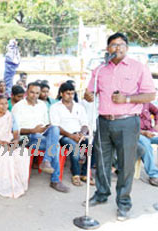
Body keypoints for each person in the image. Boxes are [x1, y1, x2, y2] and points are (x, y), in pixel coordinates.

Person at [84, 32, 156, 221]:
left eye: (121, 44)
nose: (117, 48)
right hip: (104, 121)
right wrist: (88, 95)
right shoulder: (100, 69)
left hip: (127, 122)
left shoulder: (138, 68)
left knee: (125, 164)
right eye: (113, 45)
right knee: (101, 161)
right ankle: (101, 194)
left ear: (127, 47)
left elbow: (150, 95)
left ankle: (123, 203)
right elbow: (89, 92)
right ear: (107, 49)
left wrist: (128, 98)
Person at [12, 82, 69, 193]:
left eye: (37, 93)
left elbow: (47, 123)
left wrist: (45, 128)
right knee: (55, 147)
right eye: (32, 92)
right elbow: (15, 130)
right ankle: (55, 180)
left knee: (54, 128)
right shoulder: (18, 107)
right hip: (27, 137)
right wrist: (33, 130)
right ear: (27, 92)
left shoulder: (42, 105)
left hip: (43, 135)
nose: (34, 95)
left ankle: (46, 160)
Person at [0, 95, 30, 198]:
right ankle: (5, 185)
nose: (4, 106)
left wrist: (15, 141)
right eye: (1, 104)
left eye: (6, 103)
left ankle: (19, 182)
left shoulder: (10, 115)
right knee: (5, 156)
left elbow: (15, 131)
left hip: (9, 141)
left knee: (23, 153)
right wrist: (2, 143)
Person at [50, 82, 93, 186]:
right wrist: (71, 136)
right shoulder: (55, 107)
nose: (70, 96)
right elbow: (55, 127)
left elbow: (85, 124)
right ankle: (76, 174)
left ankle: (85, 173)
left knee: (94, 146)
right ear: (61, 93)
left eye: (72, 93)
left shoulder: (79, 107)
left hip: (78, 135)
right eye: (67, 93)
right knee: (74, 147)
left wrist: (82, 134)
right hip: (64, 136)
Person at [138, 102, 158, 186]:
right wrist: (143, 132)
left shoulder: (146, 103)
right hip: (137, 134)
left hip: (150, 132)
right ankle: (153, 175)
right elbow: (127, 125)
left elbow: (157, 111)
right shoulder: (128, 105)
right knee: (145, 143)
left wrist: (157, 125)